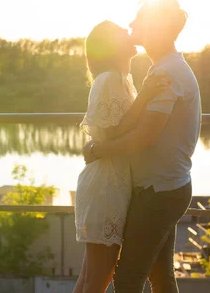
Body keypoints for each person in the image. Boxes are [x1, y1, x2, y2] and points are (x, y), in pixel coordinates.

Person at [83, 0, 201, 293]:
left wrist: (97, 151)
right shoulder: (163, 68)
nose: (132, 24)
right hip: (163, 187)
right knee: (160, 276)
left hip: (158, 193)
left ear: (154, 30)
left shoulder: (166, 72)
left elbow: (144, 136)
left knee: (128, 278)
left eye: (138, 20)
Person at [73, 20, 169, 293]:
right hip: (105, 186)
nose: (129, 32)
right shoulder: (109, 79)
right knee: (97, 280)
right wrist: (148, 94)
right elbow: (114, 132)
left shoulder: (122, 78)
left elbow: (123, 125)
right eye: (121, 32)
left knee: (91, 279)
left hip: (112, 182)